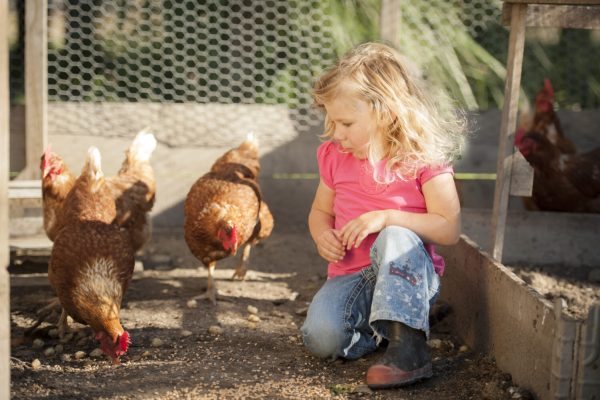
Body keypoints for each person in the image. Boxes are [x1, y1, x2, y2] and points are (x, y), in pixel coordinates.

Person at [300, 42, 467, 389]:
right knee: (321, 340)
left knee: (395, 236)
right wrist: (321, 234)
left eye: (346, 122)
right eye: (331, 121)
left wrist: (387, 217)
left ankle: (409, 349)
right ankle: (387, 333)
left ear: (385, 112)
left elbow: (448, 228)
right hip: (351, 276)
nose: (336, 133)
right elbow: (320, 212)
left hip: (409, 276)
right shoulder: (334, 156)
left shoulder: (424, 160)